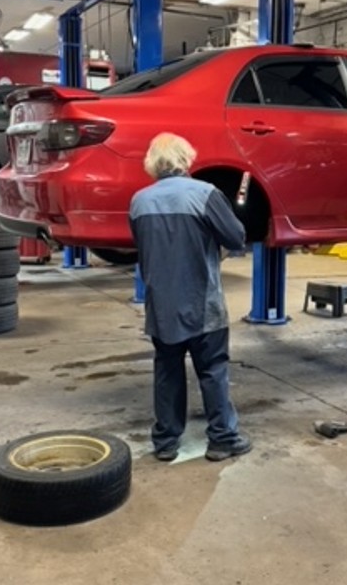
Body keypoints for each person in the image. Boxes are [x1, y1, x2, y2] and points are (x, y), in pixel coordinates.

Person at [129, 133, 252, 462]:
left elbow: (141, 248)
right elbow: (237, 237)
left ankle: (166, 443)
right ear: (186, 159)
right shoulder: (205, 194)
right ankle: (222, 439)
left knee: (167, 372)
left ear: (152, 162)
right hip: (203, 305)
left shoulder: (139, 201)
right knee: (212, 370)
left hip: (161, 307)